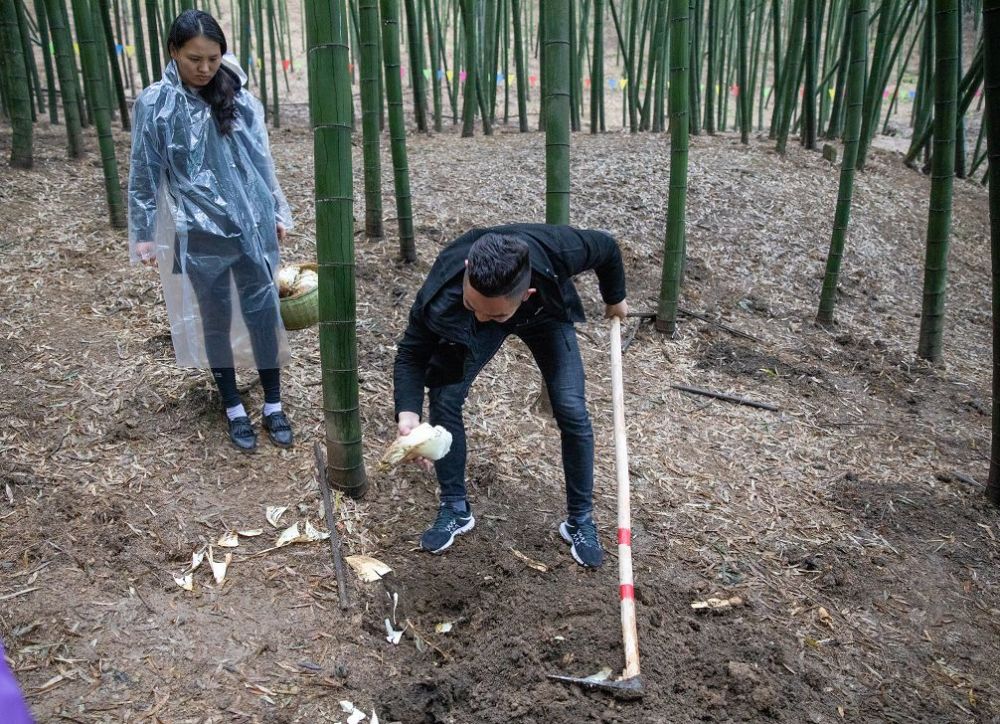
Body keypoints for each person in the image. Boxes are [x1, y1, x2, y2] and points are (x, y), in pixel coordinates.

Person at [393, 224, 628, 568]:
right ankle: (455, 508)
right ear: (469, 272)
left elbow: (607, 247)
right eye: (473, 303)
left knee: (571, 408)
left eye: (494, 312)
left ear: (526, 293)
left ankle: (580, 520)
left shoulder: (557, 252)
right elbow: (412, 353)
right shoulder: (446, 286)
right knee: (445, 396)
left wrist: (615, 297)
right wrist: (408, 415)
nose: (482, 315)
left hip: (545, 318)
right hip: (479, 320)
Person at [128, 10, 294, 452]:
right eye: (194, 59)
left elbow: (262, 162)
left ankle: (274, 404)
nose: (204, 69)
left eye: (213, 58)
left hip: (251, 223)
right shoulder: (156, 103)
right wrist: (143, 231)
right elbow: (145, 171)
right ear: (173, 53)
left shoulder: (238, 94)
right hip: (197, 231)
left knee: (263, 314)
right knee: (215, 317)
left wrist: (277, 210)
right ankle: (233, 406)